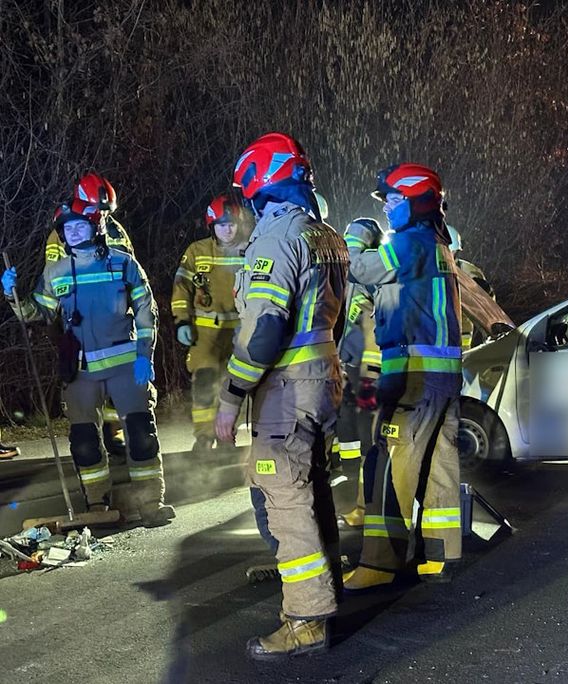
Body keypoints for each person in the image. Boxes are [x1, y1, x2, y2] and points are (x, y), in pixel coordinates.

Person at [216, 132, 348, 659]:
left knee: (286, 500)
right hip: (321, 381)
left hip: (286, 390)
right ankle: (322, 585)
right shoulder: (325, 236)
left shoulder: (275, 237)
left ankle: (305, 620)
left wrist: (231, 396)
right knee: (313, 488)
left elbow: (265, 329)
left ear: (257, 182)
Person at [3, 196, 173, 527]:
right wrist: (12, 295)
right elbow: (36, 314)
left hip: (126, 364)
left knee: (140, 434)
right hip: (80, 371)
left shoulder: (124, 264)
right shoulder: (56, 272)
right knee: (83, 442)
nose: (75, 233)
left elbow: (146, 312)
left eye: (81, 225)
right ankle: (97, 504)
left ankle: (151, 502)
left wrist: (144, 356)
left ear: (94, 227)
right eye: (68, 229)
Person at [344, 163, 463, 590]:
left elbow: (364, 270)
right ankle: (439, 555)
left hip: (414, 376)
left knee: (389, 464)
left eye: (394, 201)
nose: (389, 210)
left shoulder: (411, 242)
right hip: (441, 376)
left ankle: (379, 563)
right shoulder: (436, 243)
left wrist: (354, 241)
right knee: (437, 465)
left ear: (416, 203)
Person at [46, 173, 134, 460]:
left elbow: (128, 265)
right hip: (77, 320)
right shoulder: (61, 233)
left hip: (114, 319)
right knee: (82, 384)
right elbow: (57, 276)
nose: (103, 216)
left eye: (107, 212)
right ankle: (91, 441)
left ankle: (115, 431)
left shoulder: (116, 230)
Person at [172, 192, 251, 452]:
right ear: (212, 226)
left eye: (230, 224)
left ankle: (227, 435)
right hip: (205, 332)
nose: (226, 230)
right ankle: (204, 437)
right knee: (205, 384)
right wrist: (181, 321)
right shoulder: (197, 251)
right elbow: (182, 288)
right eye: (221, 224)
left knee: (234, 386)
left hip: (240, 332)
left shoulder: (250, 249)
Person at [333, 217, 385, 527]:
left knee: (369, 440)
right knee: (349, 429)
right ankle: (356, 492)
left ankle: (369, 508)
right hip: (350, 365)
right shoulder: (353, 273)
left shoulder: (368, 278)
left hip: (366, 370)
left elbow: (373, 333)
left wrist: (369, 376)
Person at [447, 225, 495, 350]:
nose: (448, 255)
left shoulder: (468, 271)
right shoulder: (422, 270)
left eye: (451, 251)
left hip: (462, 344)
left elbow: (489, 309)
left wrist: (486, 293)